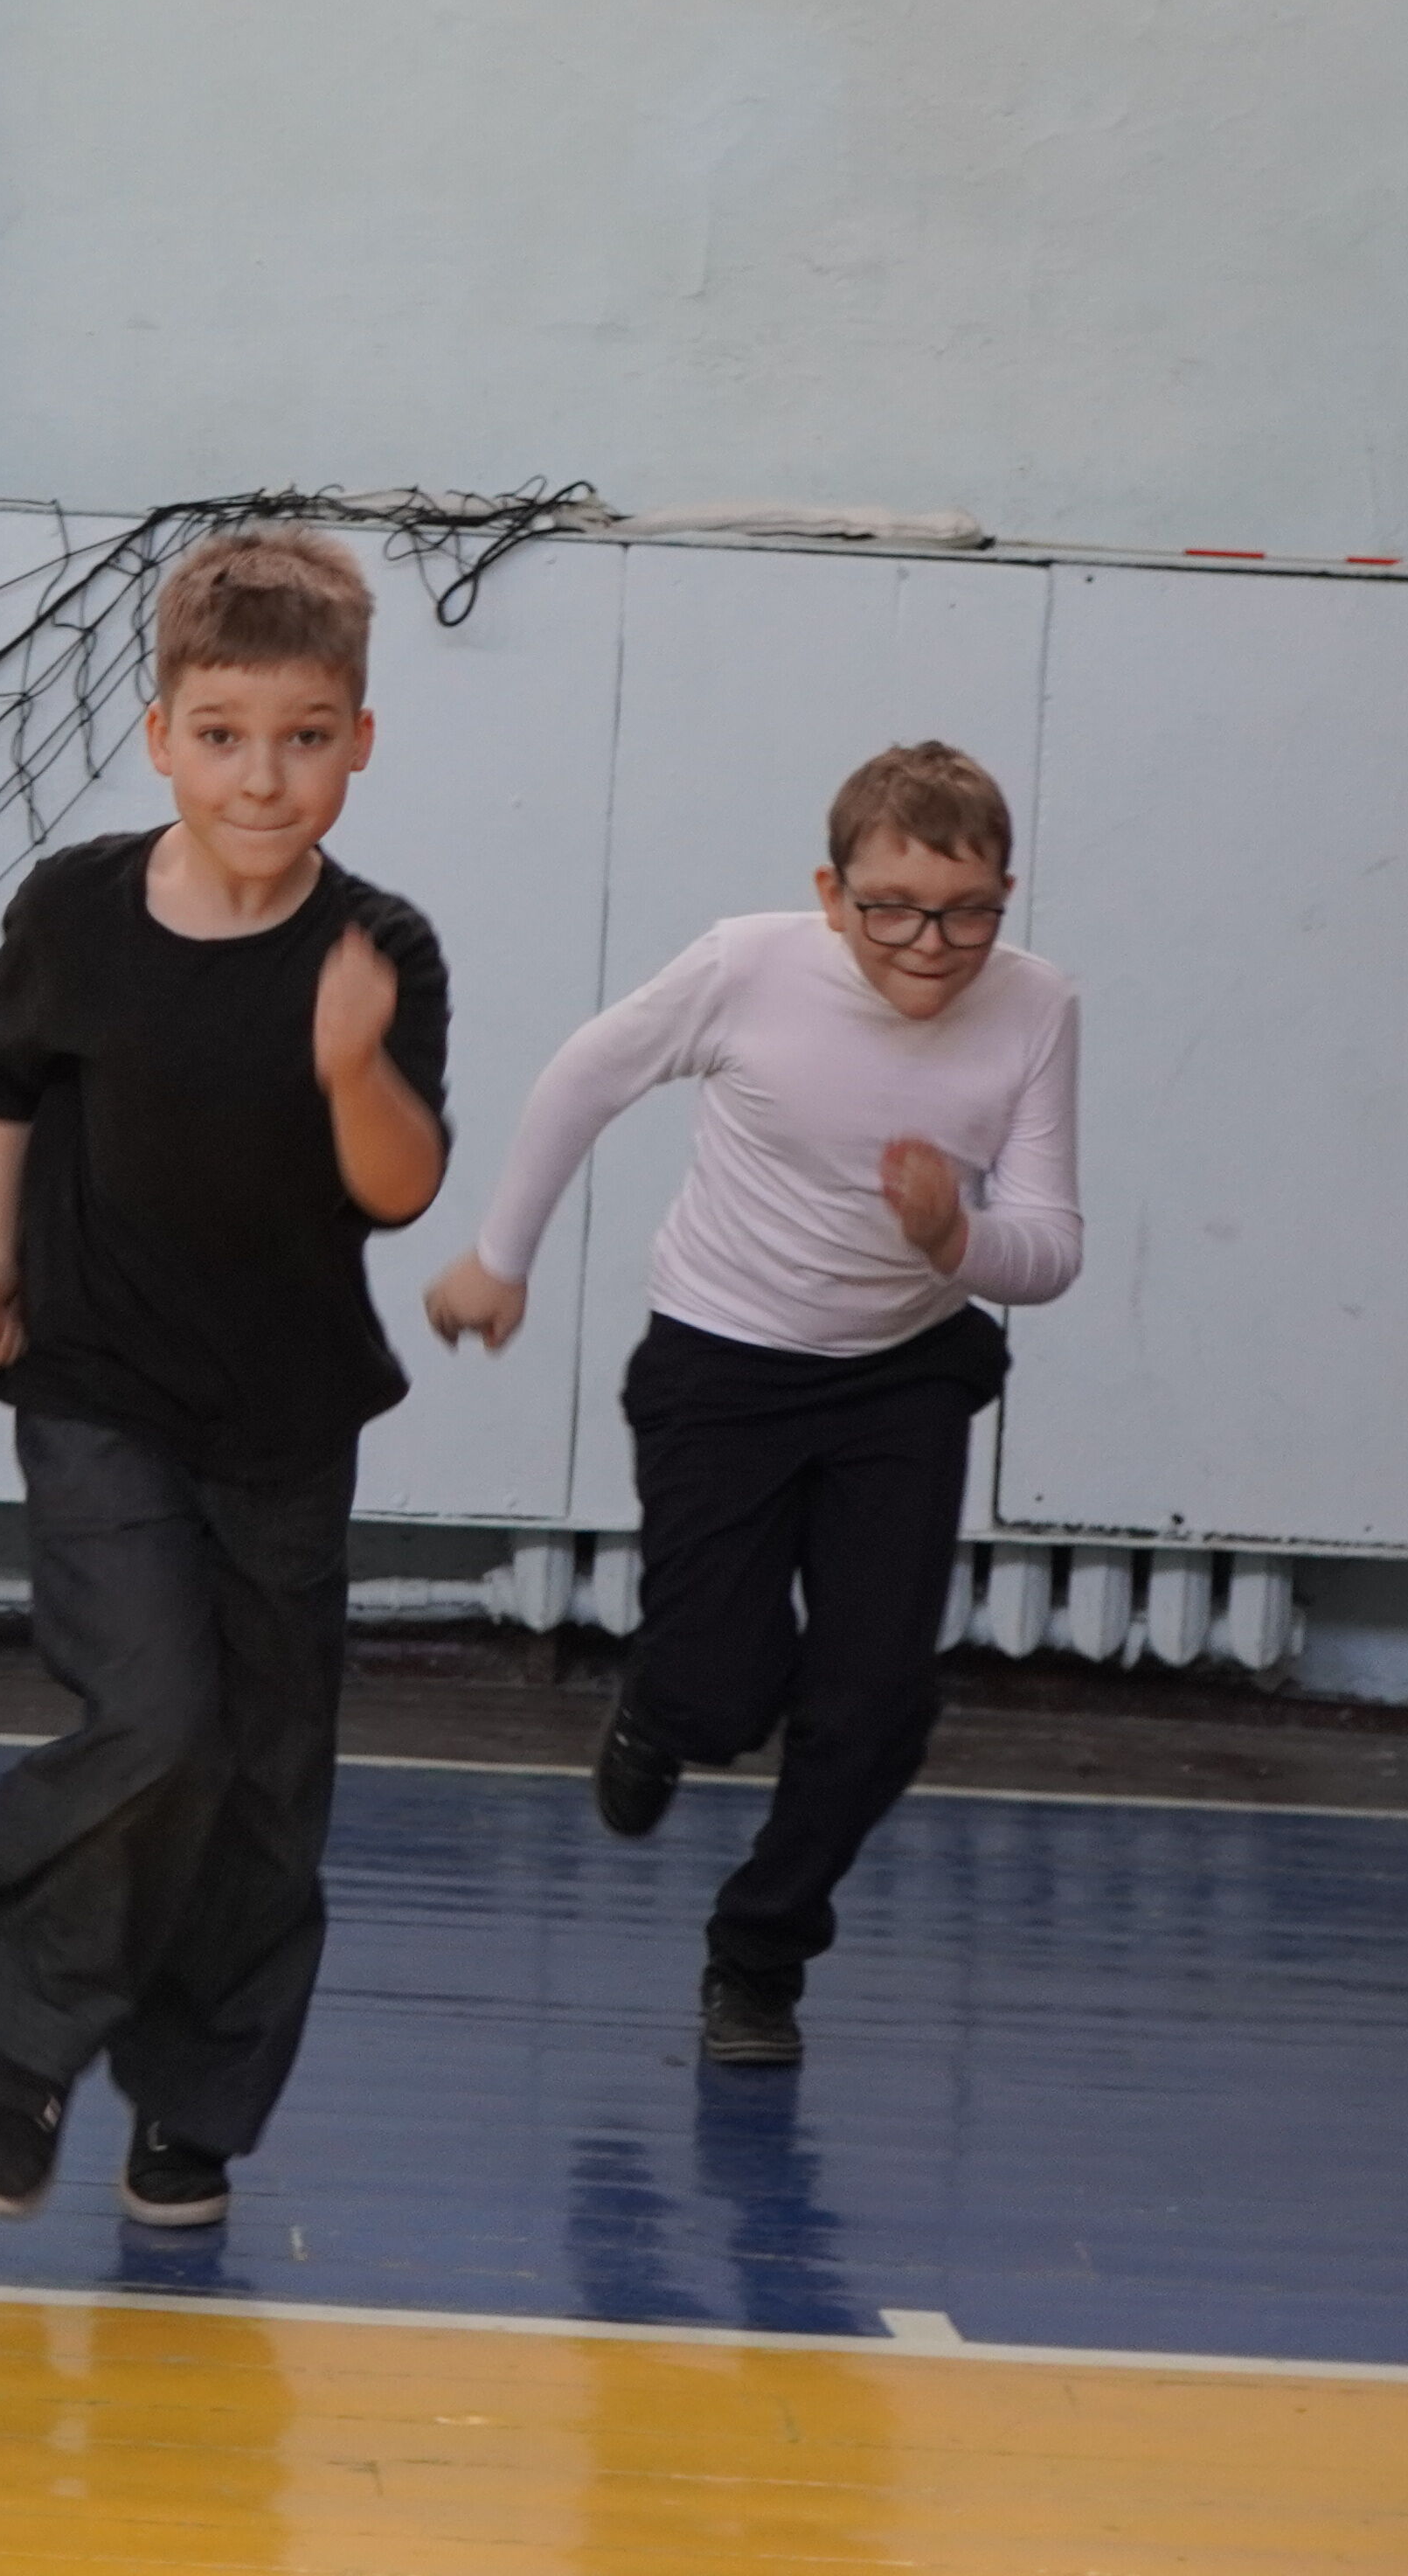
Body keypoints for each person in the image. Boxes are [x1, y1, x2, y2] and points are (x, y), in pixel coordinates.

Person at [0, 524, 451, 2235]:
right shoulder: (77, 906)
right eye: (223, 734)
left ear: (358, 742)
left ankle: (195, 2101)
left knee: (261, 1775)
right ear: (163, 735)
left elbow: (400, 1189)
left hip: (287, 1420)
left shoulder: (380, 946)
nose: (262, 774)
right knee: (154, 1718)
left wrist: (355, 1063)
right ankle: (31, 2044)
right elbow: (4, 1081)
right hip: (96, 1388)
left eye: (305, 736)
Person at [420, 739, 1079, 2069]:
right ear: (831, 896)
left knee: (878, 1704)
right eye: (893, 910)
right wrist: (501, 1256)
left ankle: (759, 1959)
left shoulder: (1036, 1007)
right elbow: (586, 1077)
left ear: (1006, 896)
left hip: (902, 1379)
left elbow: (1053, 1246)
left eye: (966, 914)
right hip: (722, 1365)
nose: (931, 945)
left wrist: (955, 1240)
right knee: (722, 1696)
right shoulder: (747, 965)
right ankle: (663, 1711)